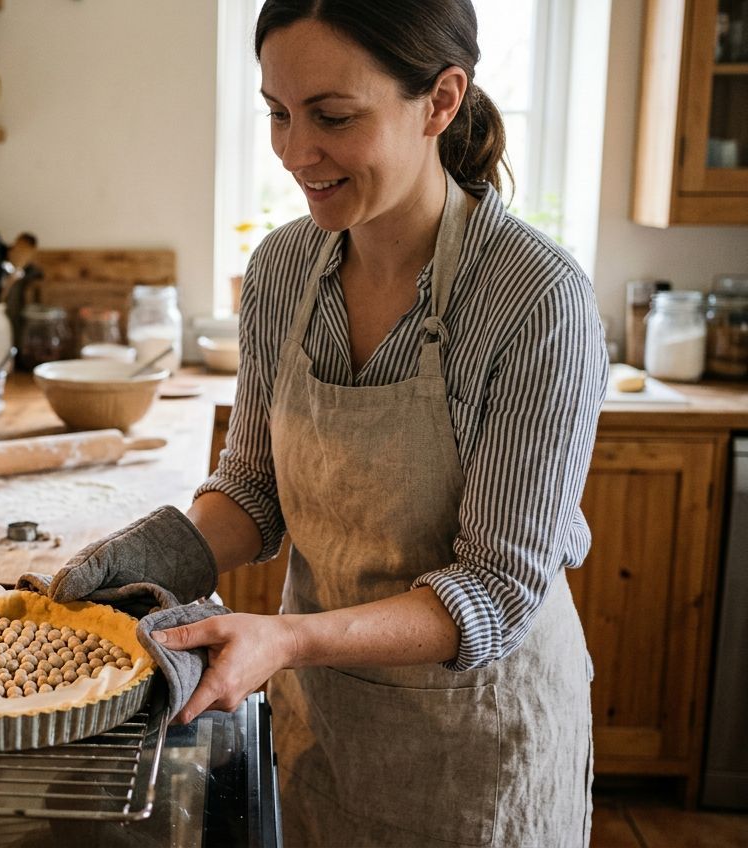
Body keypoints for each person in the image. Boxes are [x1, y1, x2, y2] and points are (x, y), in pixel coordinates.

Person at [36, 0, 607, 844]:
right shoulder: (281, 270)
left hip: (478, 745)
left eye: (333, 117)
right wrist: (138, 557)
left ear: (441, 102)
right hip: (325, 726)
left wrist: (288, 640)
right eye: (278, 113)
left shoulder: (537, 299)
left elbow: (494, 590)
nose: (297, 154)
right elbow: (254, 491)